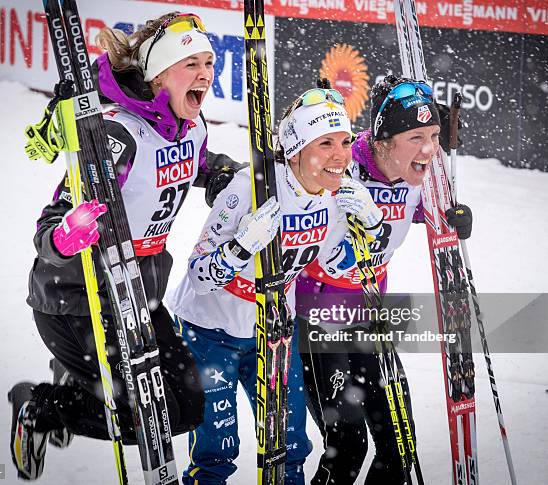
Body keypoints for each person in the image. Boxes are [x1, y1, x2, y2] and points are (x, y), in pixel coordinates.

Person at [8, 12, 243, 480]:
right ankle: (41, 408)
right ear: (158, 76)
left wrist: (220, 172)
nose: (205, 74)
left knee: (188, 406)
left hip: (140, 297)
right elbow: (52, 222)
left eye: (209, 62)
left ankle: (76, 386)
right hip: (79, 298)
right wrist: (65, 235)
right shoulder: (117, 135)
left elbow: (187, 162)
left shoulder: (191, 128)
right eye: (190, 64)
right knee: (141, 422)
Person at [167, 87, 384, 484]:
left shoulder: (337, 192)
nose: (341, 155)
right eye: (326, 144)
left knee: (289, 446)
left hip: (273, 330)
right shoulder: (250, 188)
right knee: (216, 449)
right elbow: (199, 276)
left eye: (345, 141)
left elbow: (337, 263)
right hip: (209, 331)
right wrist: (240, 248)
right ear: (296, 150)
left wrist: (369, 230)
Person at [296, 75, 473, 484]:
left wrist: (453, 217)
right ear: (382, 140)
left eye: (433, 136)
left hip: (372, 317)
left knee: (399, 446)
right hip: (318, 317)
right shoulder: (343, 165)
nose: (429, 149)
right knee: (348, 447)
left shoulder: (423, 176)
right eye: (415, 137)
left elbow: (420, 211)